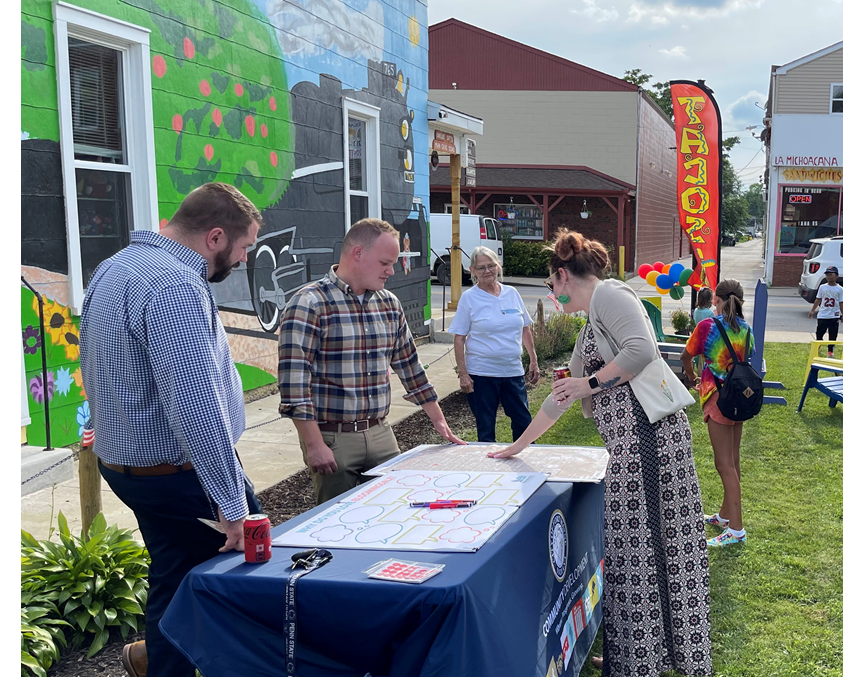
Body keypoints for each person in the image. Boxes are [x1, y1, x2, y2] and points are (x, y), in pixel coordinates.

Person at [490, 230, 712, 676]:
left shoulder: (610, 295)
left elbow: (642, 351)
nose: (552, 295)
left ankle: (665, 656)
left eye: (551, 286)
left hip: (650, 444)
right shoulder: (591, 324)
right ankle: (637, 657)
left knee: (655, 548)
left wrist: (588, 383)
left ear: (563, 275)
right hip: (631, 447)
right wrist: (516, 446)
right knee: (631, 553)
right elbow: (560, 397)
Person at [80, 182, 265, 677]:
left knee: (176, 575)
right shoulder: (175, 286)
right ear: (216, 237)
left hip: (130, 467)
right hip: (179, 475)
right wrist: (232, 506)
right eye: (244, 247)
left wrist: (108, 422)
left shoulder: (113, 268)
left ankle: (152, 660)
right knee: (251, 571)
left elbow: (97, 362)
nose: (244, 259)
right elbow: (196, 405)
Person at [278, 218, 465, 506]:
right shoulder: (309, 304)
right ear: (357, 253)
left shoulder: (389, 303)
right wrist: (314, 445)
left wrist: (439, 421)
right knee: (336, 525)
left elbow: (410, 366)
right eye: (385, 263)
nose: (391, 271)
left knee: (392, 512)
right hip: (332, 437)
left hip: (381, 432)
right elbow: (294, 385)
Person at [681, 279, 755, 548]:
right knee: (732, 462)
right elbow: (749, 355)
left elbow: (686, 356)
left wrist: (692, 377)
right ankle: (726, 515)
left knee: (723, 465)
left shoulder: (707, 327)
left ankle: (736, 529)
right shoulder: (746, 330)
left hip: (717, 398)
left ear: (716, 300)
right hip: (740, 399)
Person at [450, 246, 540, 443]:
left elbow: (525, 328)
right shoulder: (469, 298)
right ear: (472, 270)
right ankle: (487, 471)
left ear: (498, 266)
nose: (487, 271)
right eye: (481, 268)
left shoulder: (512, 293)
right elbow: (459, 337)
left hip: (512, 371)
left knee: (523, 422)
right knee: (486, 427)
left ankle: (528, 466)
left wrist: (533, 360)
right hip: (482, 374)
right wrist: (463, 374)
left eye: (491, 265)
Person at [808, 266, 843, 356]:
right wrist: (812, 310)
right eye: (827, 275)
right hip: (823, 314)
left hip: (834, 315)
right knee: (819, 332)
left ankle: (830, 350)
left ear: (836, 276)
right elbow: (818, 299)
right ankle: (818, 345)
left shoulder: (840, 289)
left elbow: (842, 302)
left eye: (831, 274)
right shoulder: (822, 287)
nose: (829, 277)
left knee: (833, 334)